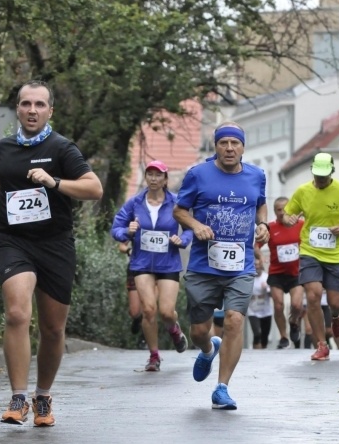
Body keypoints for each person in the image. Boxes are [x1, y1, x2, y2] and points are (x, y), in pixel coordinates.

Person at [0, 80, 103, 427]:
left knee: (53, 328)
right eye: (26, 104)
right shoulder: (3, 148)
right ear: (17, 109)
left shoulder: (62, 148)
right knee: (17, 313)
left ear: (50, 111)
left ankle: (42, 396)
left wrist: (54, 182)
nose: (32, 110)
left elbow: (94, 188)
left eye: (39, 105)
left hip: (55, 244)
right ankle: (18, 397)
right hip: (13, 241)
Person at [173, 121, 269, 410]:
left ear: (243, 147)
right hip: (204, 265)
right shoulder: (197, 174)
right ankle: (207, 349)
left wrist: (263, 224)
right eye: (223, 143)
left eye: (234, 143)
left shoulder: (257, 175)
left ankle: (222, 388)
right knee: (199, 331)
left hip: (241, 264)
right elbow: (179, 210)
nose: (229, 148)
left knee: (234, 320)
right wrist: (196, 225)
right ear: (215, 147)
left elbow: (260, 204)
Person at [111, 160, 192, 371]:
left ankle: (174, 330)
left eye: (158, 175)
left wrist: (182, 240)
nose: (154, 179)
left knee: (166, 312)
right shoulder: (134, 202)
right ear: (146, 177)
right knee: (148, 310)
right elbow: (116, 228)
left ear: (165, 179)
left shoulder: (176, 202)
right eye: (150, 174)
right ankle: (154, 356)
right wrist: (127, 232)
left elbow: (189, 227)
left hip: (168, 263)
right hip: (142, 263)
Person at [282, 152, 339, 361]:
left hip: (337, 254)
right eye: (317, 175)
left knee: (336, 303)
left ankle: (336, 316)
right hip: (310, 251)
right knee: (313, 295)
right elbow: (287, 213)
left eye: (324, 175)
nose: (320, 179)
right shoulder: (303, 191)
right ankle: (321, 344)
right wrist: (288, 219)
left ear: (331, 172)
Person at [264, 196, 305, 349]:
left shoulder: (301, 225)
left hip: (296, 273)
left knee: (296, 305)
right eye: (278, 210)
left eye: (284, 209)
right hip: (277, 273)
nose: (282, 212)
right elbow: (256, 245)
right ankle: (283, 336)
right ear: (274, 211)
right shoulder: (270, 228)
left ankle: (293, 321)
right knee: (278, 305)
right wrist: (259, 255)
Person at [118, 241, 144, 349]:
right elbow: (121, 246)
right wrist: (129, 250)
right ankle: (138, 319)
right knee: (135, 312)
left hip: (158, 267)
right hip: (136, 266)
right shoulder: (134, 229)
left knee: (149, 308)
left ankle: (144, 340)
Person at [248, 258, 273, 349]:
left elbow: (273, 295)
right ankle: (256, 352)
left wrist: (267, 288)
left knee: (264, 336)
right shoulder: (248, 278)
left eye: (258, 264)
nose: (257, 267)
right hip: (253, 311)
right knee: (257, 333)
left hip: (266, 312)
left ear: (261, 266)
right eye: (255, 265)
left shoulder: (266, 277)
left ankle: (263, 353)